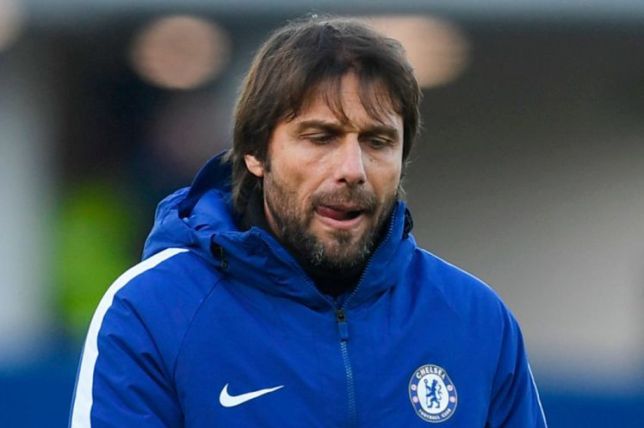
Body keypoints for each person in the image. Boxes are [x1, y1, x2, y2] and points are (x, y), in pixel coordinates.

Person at [69, 16, 547, 427]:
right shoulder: (153, 311)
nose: (353, 170)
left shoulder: (477, 322)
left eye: (378, 142)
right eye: (321, 138)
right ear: (255, 153)